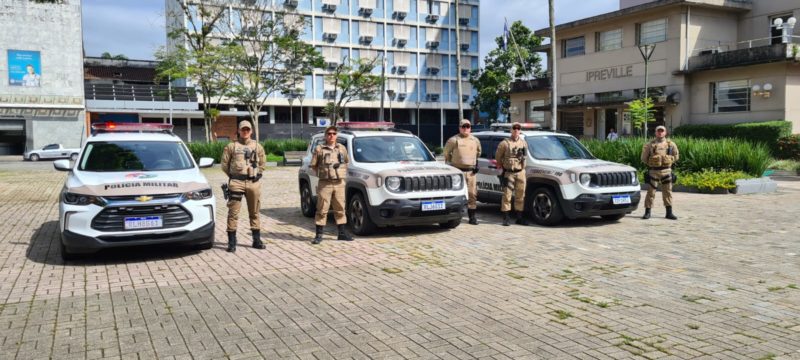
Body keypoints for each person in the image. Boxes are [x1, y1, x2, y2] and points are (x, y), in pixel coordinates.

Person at [220, 120, 267, 252]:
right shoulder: (231, 146)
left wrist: (259, 173)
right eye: (243, 129)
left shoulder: (258, 146)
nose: (245, 132)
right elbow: (224, 164)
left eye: (247, 129)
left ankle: (256, 240)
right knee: (233, 212)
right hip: (236, 183)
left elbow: (263, 163)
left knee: (254, 211)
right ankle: (232, 242)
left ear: (251, 131)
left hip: (253, 183)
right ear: (239, 131)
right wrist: (233, 176)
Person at [310, 125, 353, 244]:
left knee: (340, 207)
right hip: (325, 183)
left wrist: (340, 172)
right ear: (325, 135)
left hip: (339, 183)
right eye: (329, 134)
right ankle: (319, 235)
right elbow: (313, 165)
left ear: (336, 135)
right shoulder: (319, 149)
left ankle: (342, 233)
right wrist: (323, 173)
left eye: (334, 133)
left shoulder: (342, 148)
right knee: (322, 208)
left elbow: (346, 162)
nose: (331, 136)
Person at [444, 119, 481, 225]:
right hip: (457, 173)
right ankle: (451, 216)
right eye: (463, 126)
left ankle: (472, 217)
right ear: (459, 128)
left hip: (471, 172)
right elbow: (446, 154)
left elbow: (478, 153)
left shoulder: (475, 140)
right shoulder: (453, 140)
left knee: (472, 194)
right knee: (455, 194)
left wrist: (475, 165)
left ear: (470, 128)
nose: (465, 129)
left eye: (467, 126)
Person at [640, 125, 679, 220]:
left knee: (668, 192)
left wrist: (669, 161)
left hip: (666, 171)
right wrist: (652, 163)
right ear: (655, 132)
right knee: (651, 192)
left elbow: (676, 156)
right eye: (658, 131)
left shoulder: (671, 144)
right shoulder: (650, 145)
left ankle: (669, 213)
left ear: (665, 133)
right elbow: (644, 158)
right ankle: (647, 212)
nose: (660, 133)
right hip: (654, 171)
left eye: (662, 131)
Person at [495, 122, 529, 226]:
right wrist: (503, 167)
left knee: (520, 195)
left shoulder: (523, 143)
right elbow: (498, 157)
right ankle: (506, 218)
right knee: (507, 195)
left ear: (520, 130)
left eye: (518, 128)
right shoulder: (504, 143)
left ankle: (519, 218)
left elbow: (525, 156)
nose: (516, 130)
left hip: (521, 172)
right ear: (511, 130)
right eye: (514, 128)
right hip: (509, 173)